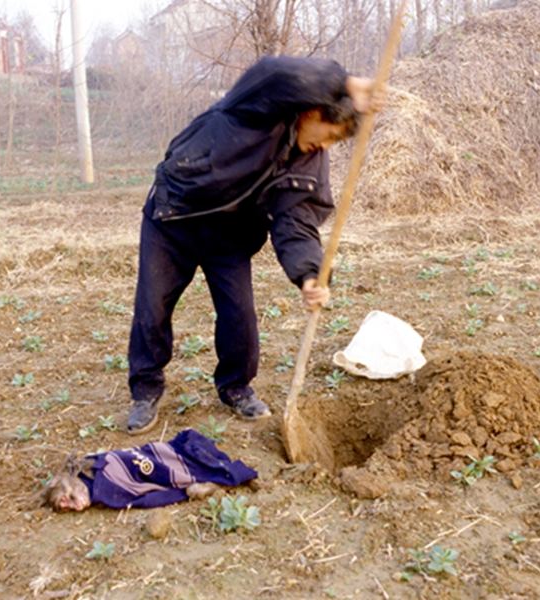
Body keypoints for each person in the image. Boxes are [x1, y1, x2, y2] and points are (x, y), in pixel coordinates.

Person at [126, 55, 380, 435]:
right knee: (153, 306)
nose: (324, 146)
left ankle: (235, 388)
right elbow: (274, 73)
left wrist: (308, 274)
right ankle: (145, 390)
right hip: (173, 217)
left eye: (335, 143)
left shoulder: (309, 161)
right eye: (328, 133)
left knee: (239, 315)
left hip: (229, 233)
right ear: (312, 111)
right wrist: (344, 83)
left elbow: (296, 220)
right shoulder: (260, 105)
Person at [44, 429, 258, 512]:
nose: (78, 506)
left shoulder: (88, 465)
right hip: (173, 466)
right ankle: (215, 479)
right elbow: (147, 497)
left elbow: (129, 456)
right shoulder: (109, 492)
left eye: (68, 499)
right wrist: (184, 491)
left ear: (54, 481)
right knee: (194, 485)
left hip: (172, 453)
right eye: (71, 506)